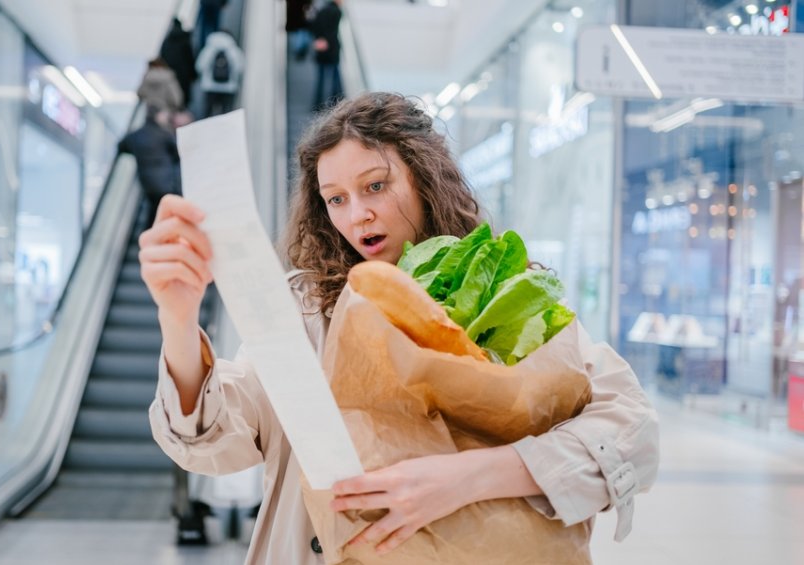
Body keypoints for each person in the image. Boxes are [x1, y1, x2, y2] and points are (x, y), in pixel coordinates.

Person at [142, 92, 659, 563]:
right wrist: (178, 319)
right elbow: (218, 438)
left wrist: (469, 478)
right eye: (336, 198)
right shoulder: (304, 305)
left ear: (424, 176)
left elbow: (630, 430)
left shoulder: (504, 287)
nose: (358, 215)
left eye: (375, 186)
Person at [118, 107, 184, 230]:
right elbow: (178, 153)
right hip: (166, 182)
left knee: (154, 210)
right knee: (166, 209)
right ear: (157, 116)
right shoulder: (163, 134)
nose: (166, 118)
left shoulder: (135, 135)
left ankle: (149, 237)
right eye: (164, 115)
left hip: (148, 184)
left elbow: (121, 147)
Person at [195, 30, 245, 117]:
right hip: (229, 89)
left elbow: (200, 66)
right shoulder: (233, 49)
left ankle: (207, 129)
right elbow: (240, 68)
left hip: (210, 87)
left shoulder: (209, 48)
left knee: (208, 115)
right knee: (227, 116)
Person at [309, 0, 344, 111]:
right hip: (332, 50)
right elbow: (333, 32)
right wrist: (328, 42)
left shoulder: (322, 10)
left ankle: (318, 104)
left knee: (321, 77)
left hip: (322, 50)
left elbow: (315, 26)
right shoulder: (337, 11)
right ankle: (337, 101)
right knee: (335, 76)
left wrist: (320, 40)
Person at [159, 18, 198, 107]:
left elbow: (162, 58)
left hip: (170, 75)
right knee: (182, 100)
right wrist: (193, 74)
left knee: (170, 99)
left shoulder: (167, 41)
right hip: (183, 75)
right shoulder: (185, 40)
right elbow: (190, 58)